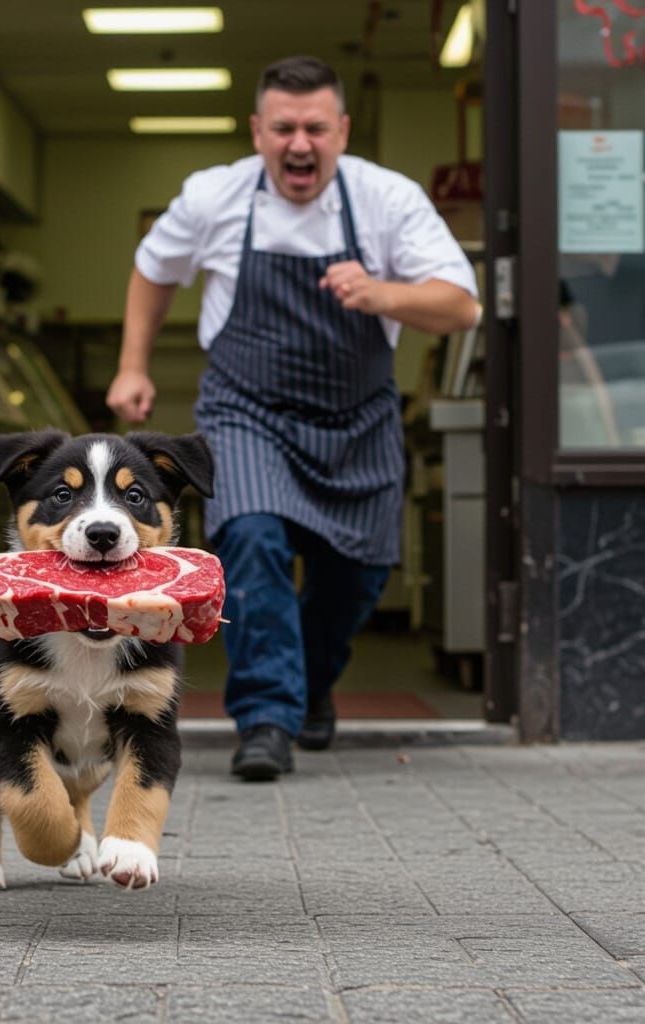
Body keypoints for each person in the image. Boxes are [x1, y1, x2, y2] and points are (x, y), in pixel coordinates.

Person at [105, 55, 481, 781]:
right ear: (258, 131)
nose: (298, 144)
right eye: (283, 129)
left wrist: (383, 294)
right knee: (251, 538)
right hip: (247, 409)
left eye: (315, 128)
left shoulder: (387, 200)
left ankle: (306, 680)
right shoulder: (215, 196)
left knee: (360, 573)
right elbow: (154, 269)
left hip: (357, 417)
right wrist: (132, 364)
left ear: (341, 131)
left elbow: (460, 303)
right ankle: (268, 719)